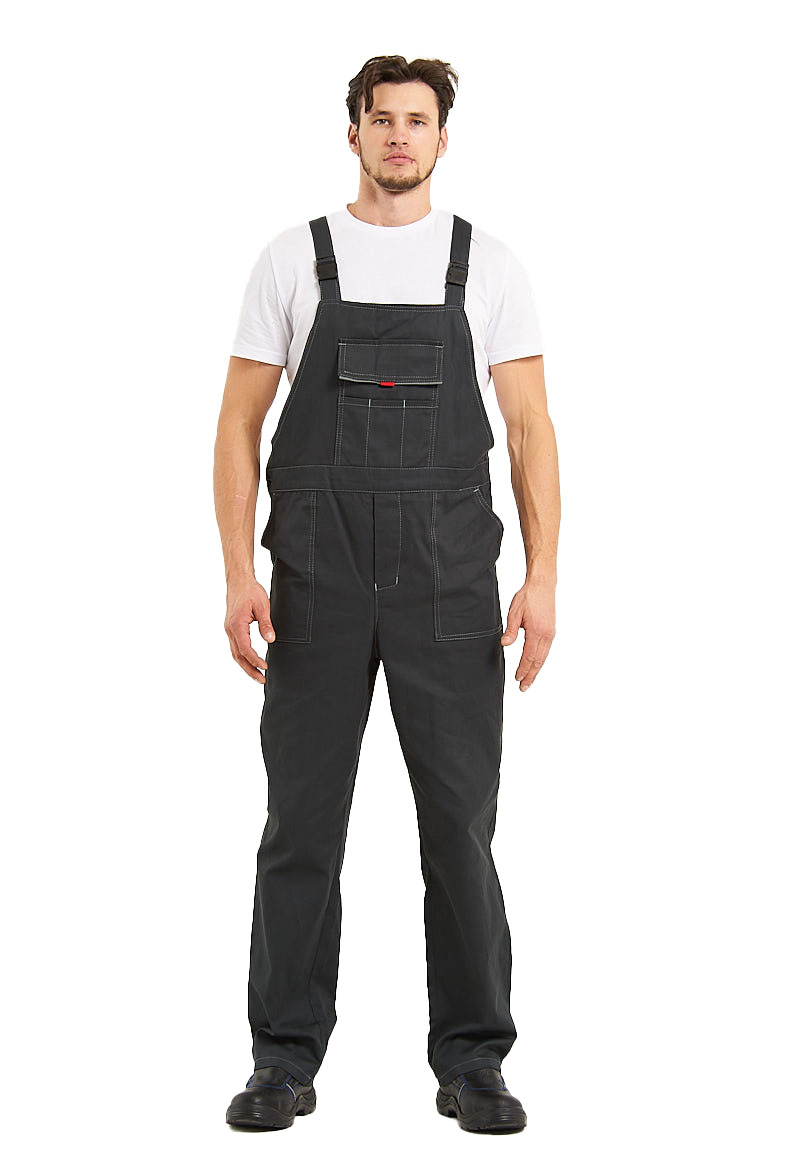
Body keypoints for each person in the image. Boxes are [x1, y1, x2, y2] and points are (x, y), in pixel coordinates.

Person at [213, 54, 560, 1135]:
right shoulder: (293, 258)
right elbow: (237, 424)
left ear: (442, 138)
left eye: (417, 120)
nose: (399, 135)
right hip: (314, 580)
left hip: (451, 583)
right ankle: (282, 1059)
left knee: (458, 828)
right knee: (300, 826)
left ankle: (474, 1060)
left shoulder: (486, 264)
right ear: (354, 133)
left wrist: (543, 576)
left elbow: (529, 429)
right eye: (381, 119)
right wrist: (237, 571)